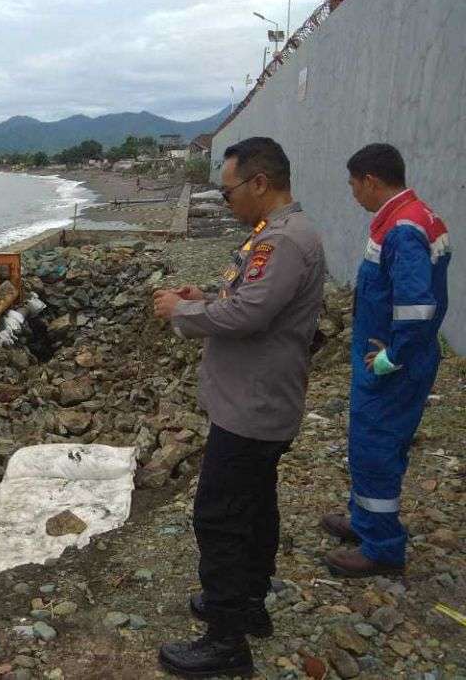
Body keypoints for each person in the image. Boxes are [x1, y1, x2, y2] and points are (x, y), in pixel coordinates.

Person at [153, 137, 325, 678]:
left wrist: (183, 311)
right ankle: (247, 605)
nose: (225, 202)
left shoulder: (284, 242)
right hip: (255, 403)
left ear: (259, 183)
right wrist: (202, 295)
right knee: (253, 507)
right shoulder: (273, 237)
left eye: (227, 193)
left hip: (253, 408)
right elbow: (246, 297)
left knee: (219, 516)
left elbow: (249, 314)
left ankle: (226, 642)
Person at [320, 143, 451, 577]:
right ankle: (365, 522)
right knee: (368, 445)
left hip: (392, 365)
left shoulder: (403, 229)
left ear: (371, 180)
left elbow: (417, 307)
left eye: (354, 185)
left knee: (376, 448)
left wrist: (390, 358)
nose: (354, 194)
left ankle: (382, 548)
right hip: (390, 358)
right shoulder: (412, 216)